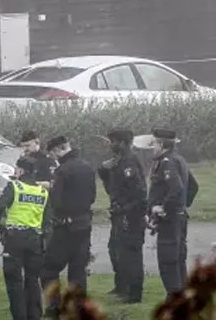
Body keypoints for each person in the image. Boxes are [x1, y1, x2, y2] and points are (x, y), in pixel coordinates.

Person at [40, 136, 96, 318]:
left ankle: (53, 307)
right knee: (78, 270)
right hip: (84, 224)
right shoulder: (88, 167)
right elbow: (93, 196)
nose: (53, 157)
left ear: (58, 150)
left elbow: (56, 201)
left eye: (53, 153)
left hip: (65, 227)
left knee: (49, 268)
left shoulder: (62, 170)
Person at [0, 157, 49, 320]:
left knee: (14, 281)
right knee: (32, 280)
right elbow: (47, 219)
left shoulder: (15, 187)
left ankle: (19, 316)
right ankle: (35, 315)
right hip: (35, 239)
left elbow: (0, 205)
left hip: (14, 239)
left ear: (21, 171)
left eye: (16, 168)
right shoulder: (42, 192)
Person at [96, 127, 147, 304]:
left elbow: (139, 193)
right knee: (116, 249)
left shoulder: (129, 162)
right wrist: (102, 169)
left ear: (123, 143)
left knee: (131, 254)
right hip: (119, 214)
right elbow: (111, 185)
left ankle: (134, 293)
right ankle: (122, 286)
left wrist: (125, 209)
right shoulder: (118, 161)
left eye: (113, 142)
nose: (111, 145)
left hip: (130, 216)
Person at [148, 127, 199, 297]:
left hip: (170, 221)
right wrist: (182, 207)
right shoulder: (179, 159)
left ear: (162, 144)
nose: (152, 147)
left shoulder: (167, 162)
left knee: (168, 261)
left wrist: (163, 208)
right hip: (179, 218)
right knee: (178, 260)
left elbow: (176, 189)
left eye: (155, 143)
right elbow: (193, 186)